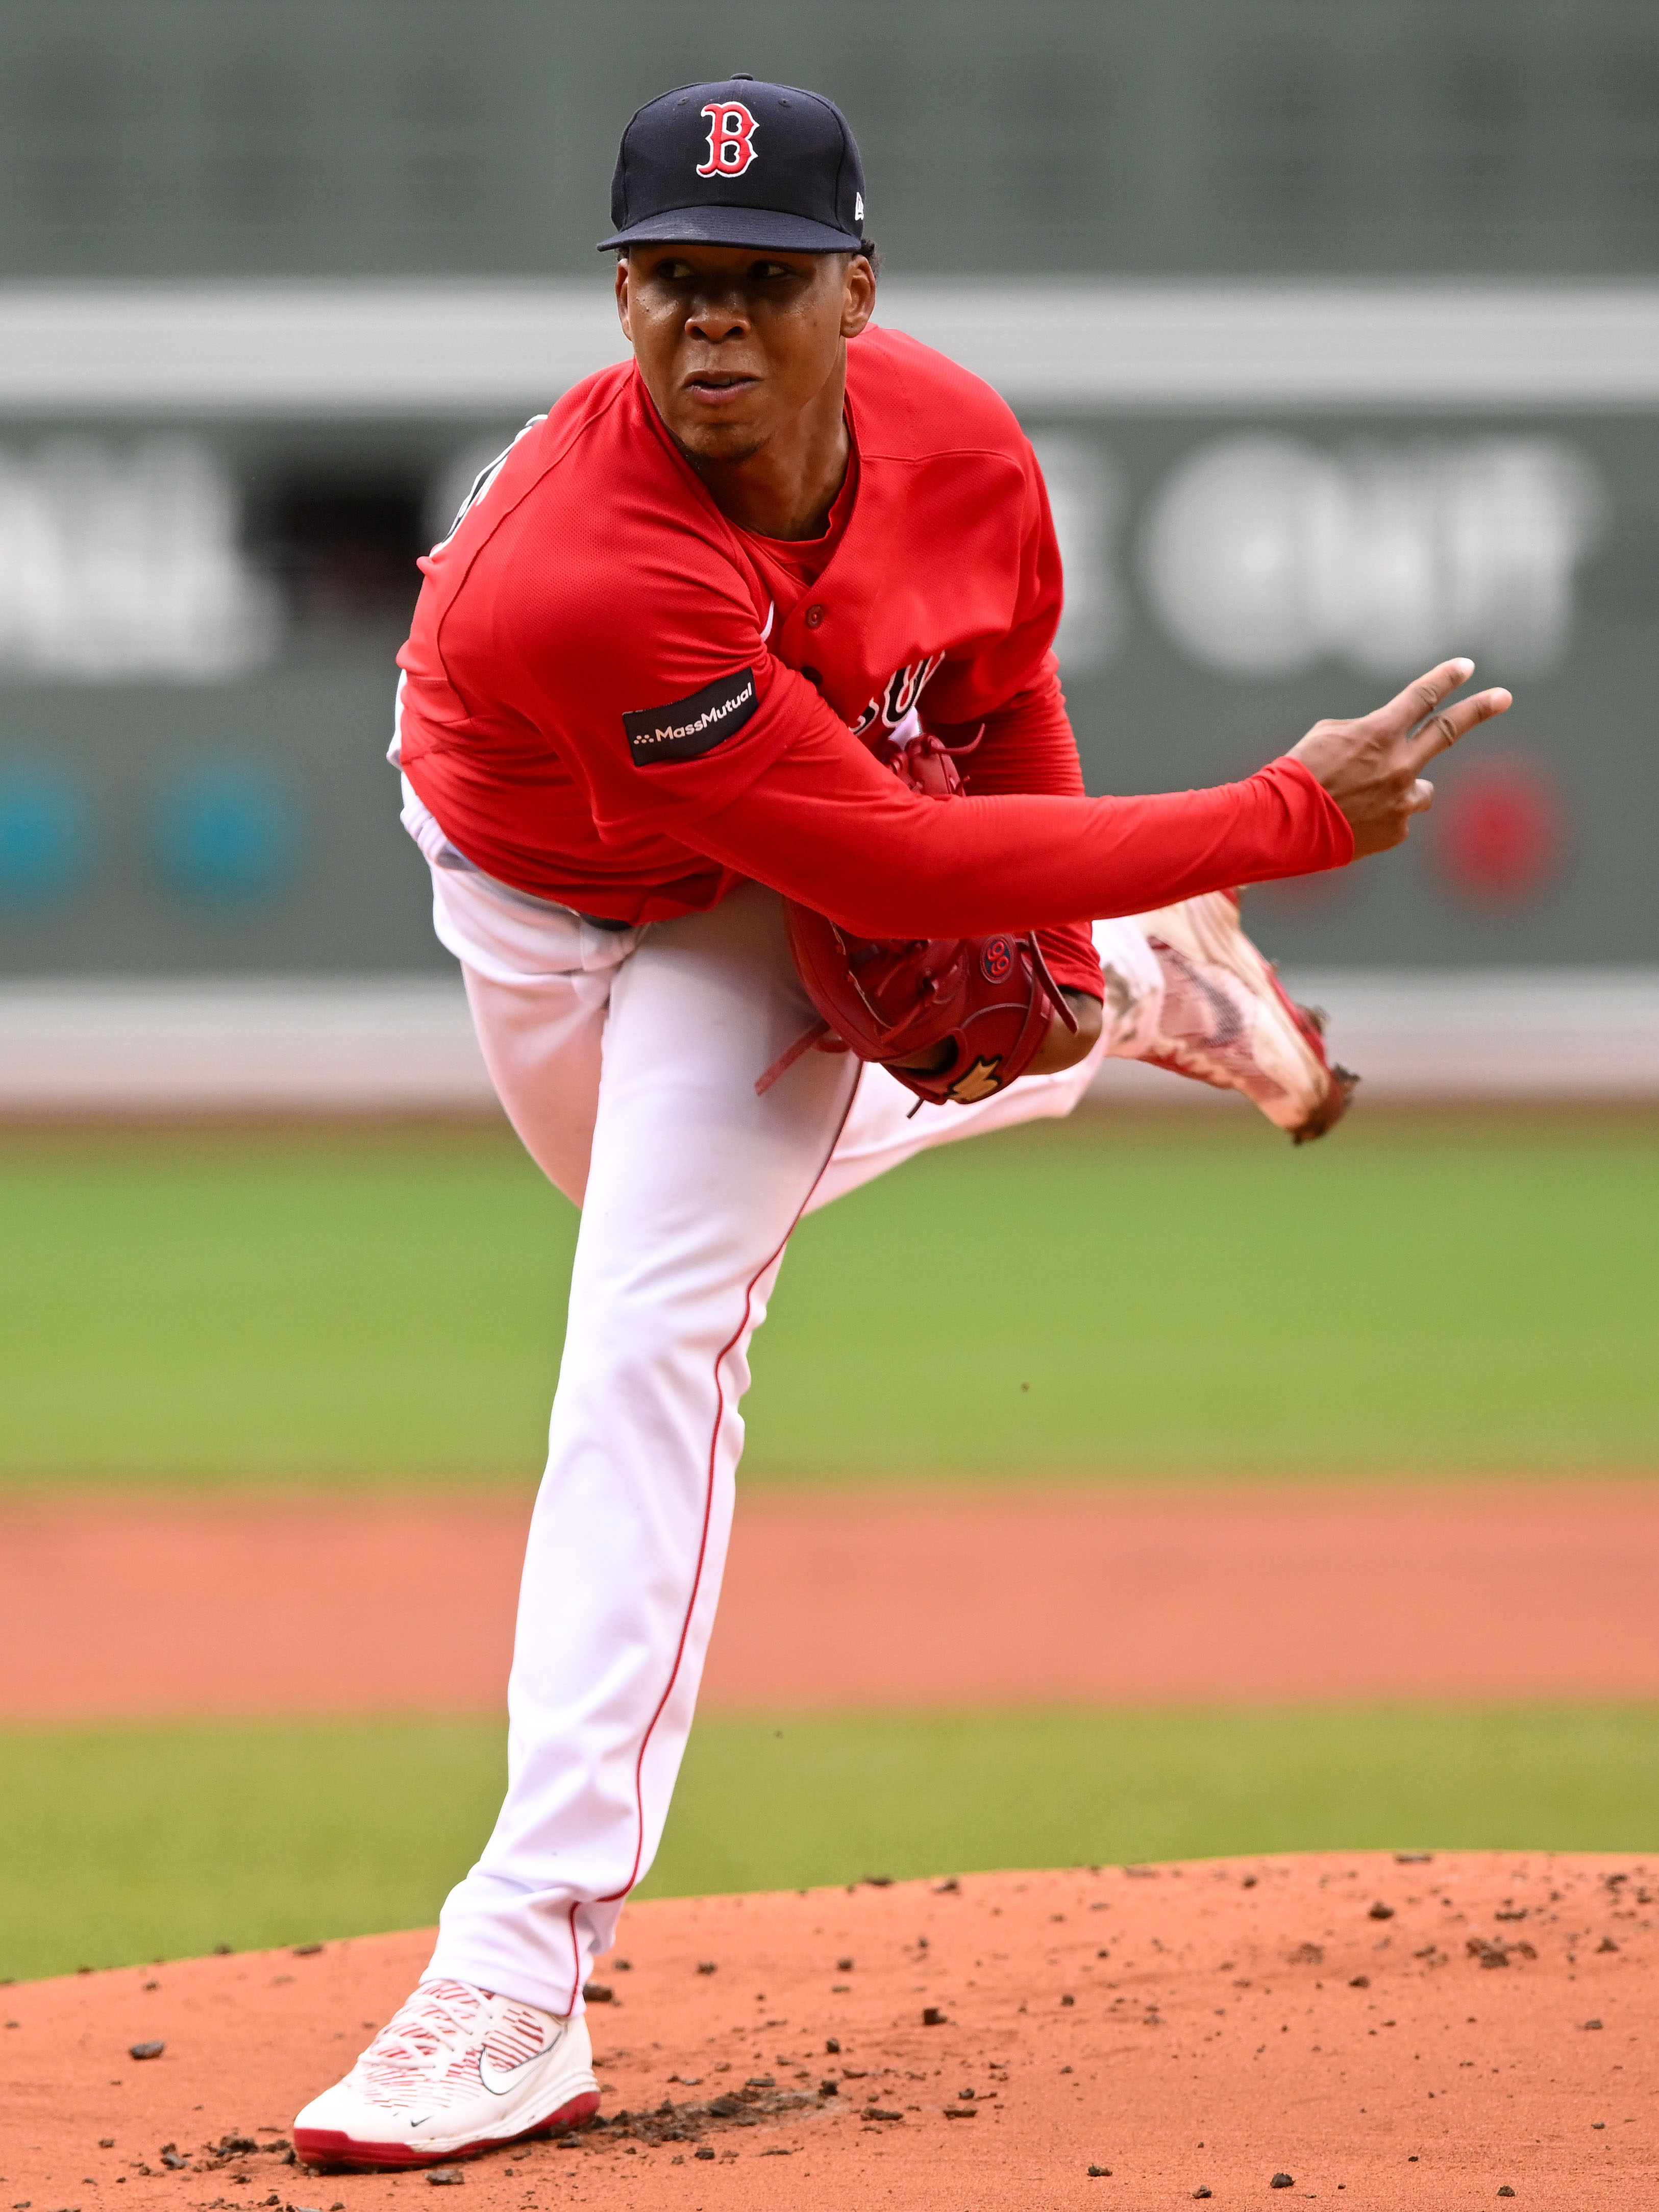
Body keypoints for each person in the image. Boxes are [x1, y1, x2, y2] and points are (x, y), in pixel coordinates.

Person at [292, 77, 1510, 2168]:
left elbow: (992, 695)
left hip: (722, 921)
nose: (711, 326)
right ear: (621, 301)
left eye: (761, 284)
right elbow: (893, 856)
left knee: (654, 1324)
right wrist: (1260, 830)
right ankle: (1156, 977)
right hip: (545, 896)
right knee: (662, 1195)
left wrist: (1038, 894)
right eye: (670, 279)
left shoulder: (957, 440)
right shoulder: (583, 571)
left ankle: (513, 1971)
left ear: (855, 287)